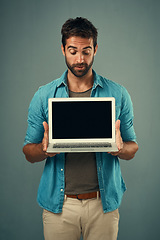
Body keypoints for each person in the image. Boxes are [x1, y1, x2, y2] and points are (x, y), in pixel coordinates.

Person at [23, 17, 138, 240]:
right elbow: (28, 152)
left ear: (95, 49)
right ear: (63, 49)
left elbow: (133, 147)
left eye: (86, 51)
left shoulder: (118, 93)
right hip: (60, 207)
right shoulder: (44, 95)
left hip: (103, 205)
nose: (80, 59)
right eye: (73, 51)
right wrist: (44, 150)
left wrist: (120, 148)